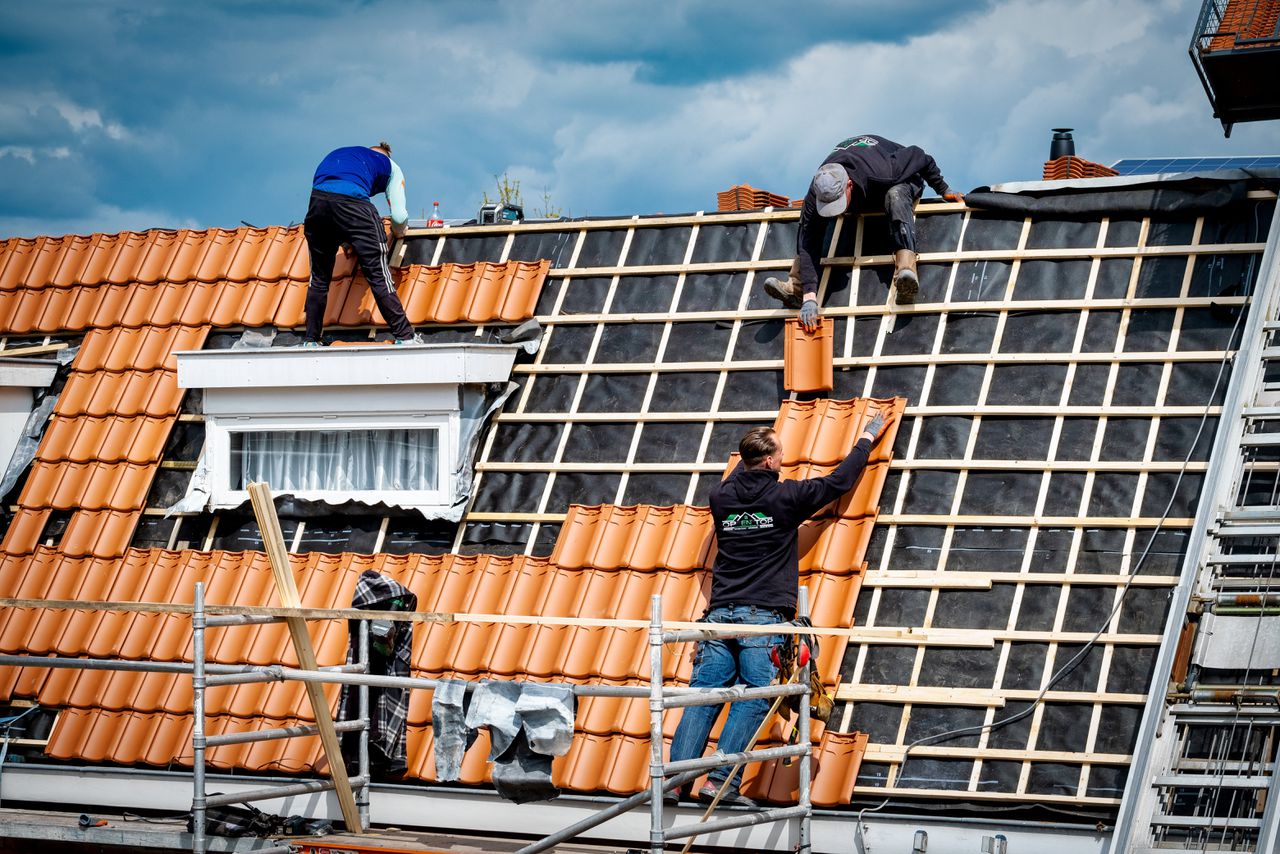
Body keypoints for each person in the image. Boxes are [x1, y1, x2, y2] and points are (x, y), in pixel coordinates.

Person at [667, 408, 888, 807]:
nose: (783, 461)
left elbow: (741, 479)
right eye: (779, 456)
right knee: (755, 697)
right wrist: (867, 437)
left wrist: (752, 458)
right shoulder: (786, 497)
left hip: (719, 616)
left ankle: (675, 781)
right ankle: (721, 780)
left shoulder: (721, 496)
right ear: (769, 461)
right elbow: (839, 481)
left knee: (702, 698)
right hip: (762, 616)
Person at [764, 134, 964, 327]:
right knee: (808, 226)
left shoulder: (885, 171)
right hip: (863, 190)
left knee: (895, 195)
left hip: (899, 181)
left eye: (838, 201)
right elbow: (809, 239)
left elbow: (921, 156)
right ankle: (797, 287)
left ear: (849, 185)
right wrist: (809, 297)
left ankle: (906, 272)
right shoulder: (817, 188)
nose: (833, 209)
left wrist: (943, 189)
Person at [302, 142, 424, 346]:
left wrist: (345, 238)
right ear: (387, 157)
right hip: (353, 205)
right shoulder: (391, 167)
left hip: (318, 204)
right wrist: (398, 232)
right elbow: (399, 216)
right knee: (379, 274)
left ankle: (310, 340)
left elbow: (332, 201)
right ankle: (406, 336)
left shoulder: (342, 152)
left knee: (319, 279)